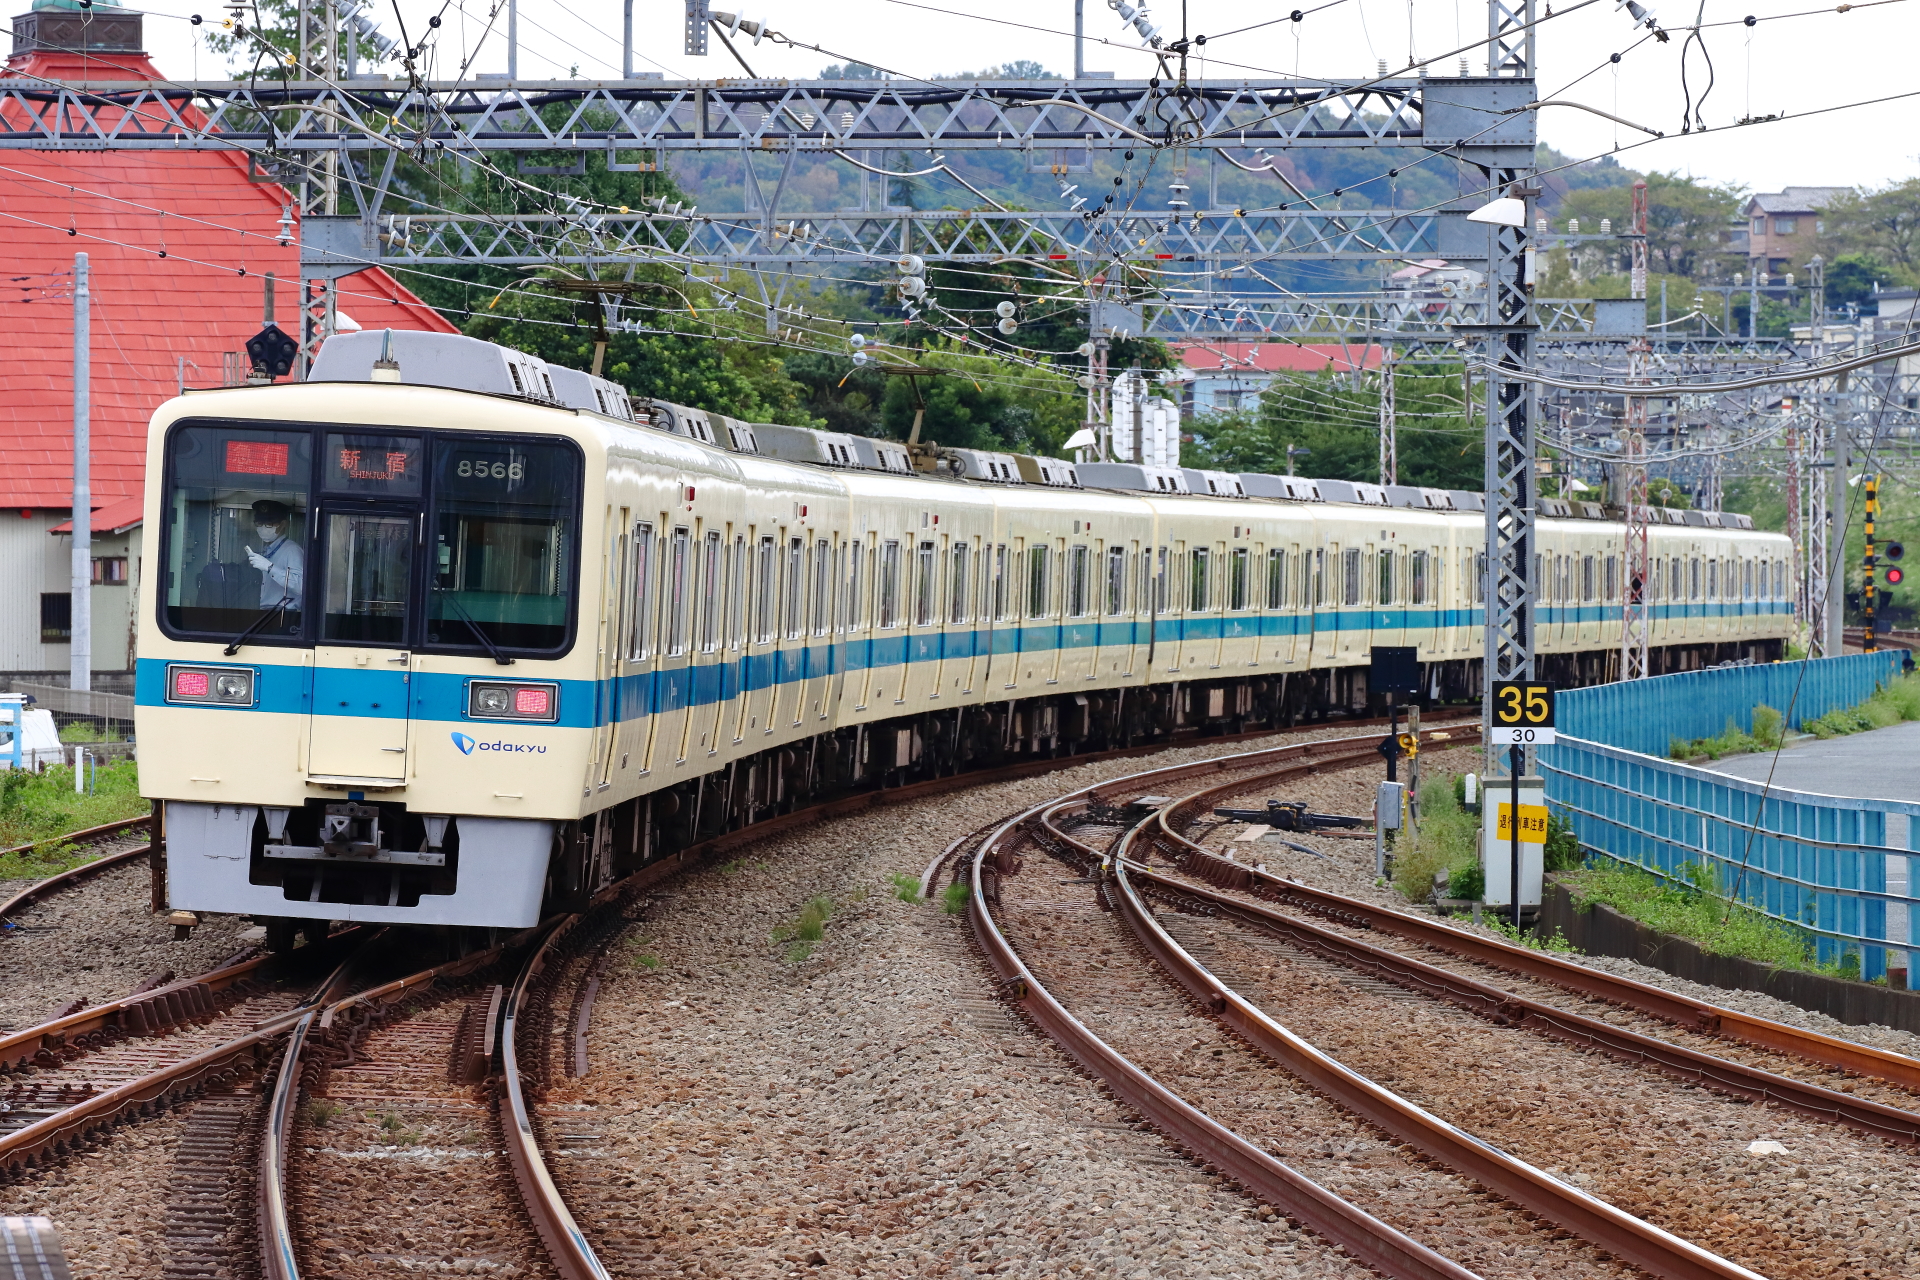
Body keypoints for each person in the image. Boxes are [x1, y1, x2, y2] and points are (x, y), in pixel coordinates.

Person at [245, 499, 305, 609]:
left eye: (269, 524)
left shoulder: (292, 550)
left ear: (283, 524)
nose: (263, 528)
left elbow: (300, 586)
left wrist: (270, 568)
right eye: (259, 523)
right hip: (263, 613)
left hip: (283, 613)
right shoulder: (265, 549)